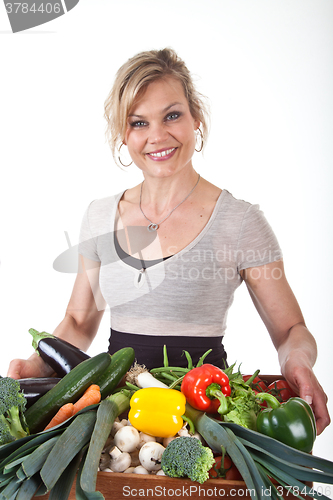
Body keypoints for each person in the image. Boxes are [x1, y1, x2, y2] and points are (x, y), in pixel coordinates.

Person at [7, 48, 330, 435]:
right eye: (139, 122)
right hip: (114, 413)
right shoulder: (100, 216)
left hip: (205, 414)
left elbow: (291, 329)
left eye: (172, 115)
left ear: (197, 117)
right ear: (123, 134)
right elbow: (78, 321)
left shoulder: (240, 221)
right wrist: (35, 363)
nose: (157, 136)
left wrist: (300, 363)